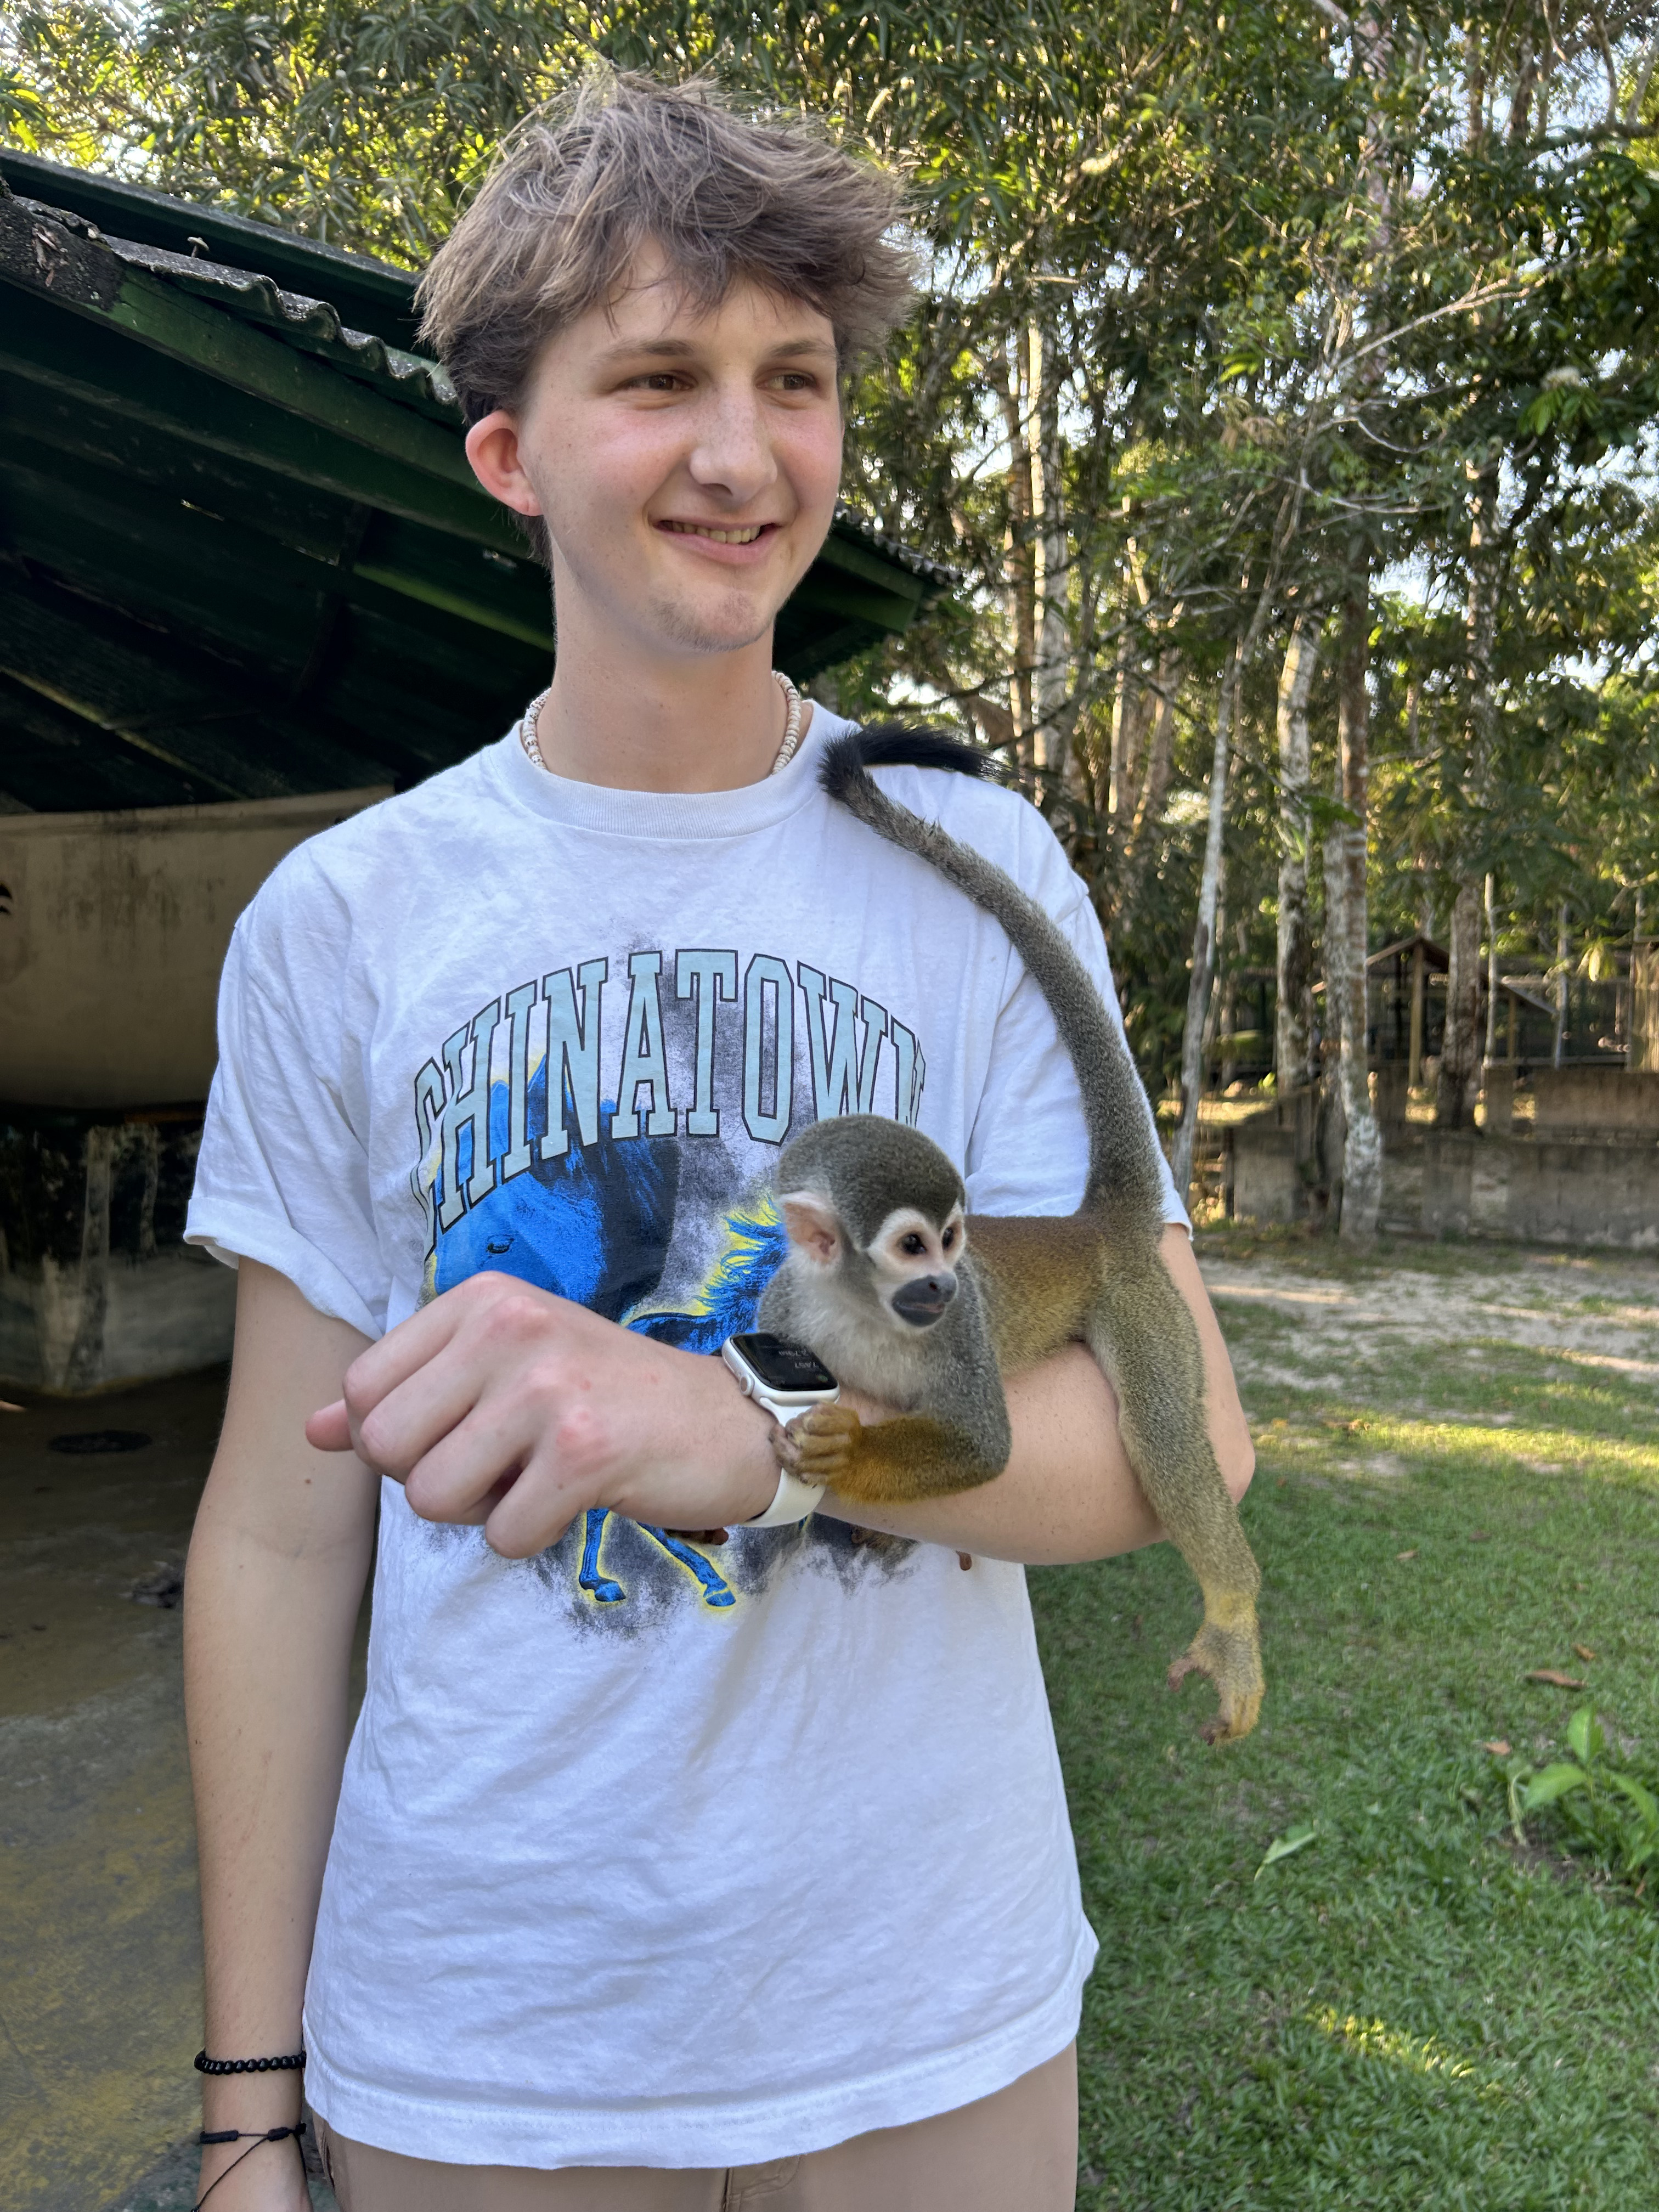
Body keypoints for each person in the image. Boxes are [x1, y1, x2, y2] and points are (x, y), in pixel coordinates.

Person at [182, 69, 1253, 2212]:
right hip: (483, 2036)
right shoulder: (346, 922)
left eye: (796, 378)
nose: (744, 452)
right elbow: (280, 1542)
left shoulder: (974, 862)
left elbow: (1184, 1431)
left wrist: (745, 1437)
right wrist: (245, 2107)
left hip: (920, 2006)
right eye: (660, 378)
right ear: (510, 452)